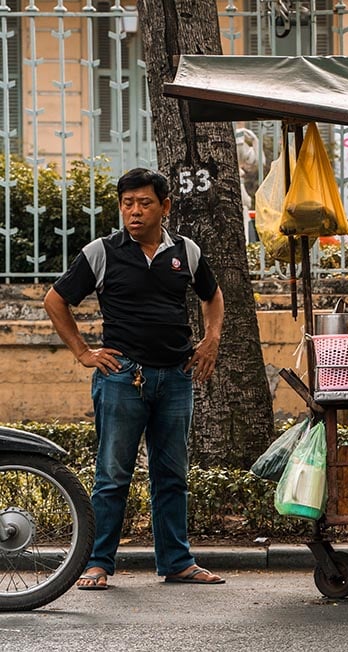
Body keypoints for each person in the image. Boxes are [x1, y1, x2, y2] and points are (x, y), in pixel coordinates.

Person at [43, 168, 226, 590]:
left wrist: (211, 339)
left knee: (171, 474)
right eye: (127, 204)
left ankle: (177, 562)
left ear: (165, 206)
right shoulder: (102, 252)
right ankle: (97, 562)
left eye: (144, 203)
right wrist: (84, 352)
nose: (135, 211)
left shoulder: (186, 251)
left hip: (177, 377)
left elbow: (212, 295)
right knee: (112, 475)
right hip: (123, 377)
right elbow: (56, 300)